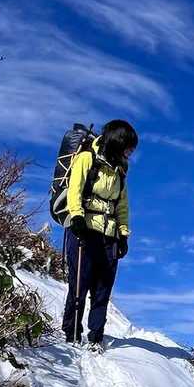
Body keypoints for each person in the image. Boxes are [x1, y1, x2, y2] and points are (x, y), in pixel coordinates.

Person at [62, 119, 136, 350]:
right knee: (79, 285)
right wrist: (76, 216)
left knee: (103, 288)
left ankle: (96, 337)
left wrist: (123, 234)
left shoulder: (120, 171)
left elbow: (121, 205)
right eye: (128, 147)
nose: (130, 152)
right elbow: (75, 189)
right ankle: (72, 334)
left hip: (109, 235)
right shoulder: (87, 158)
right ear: (117, 142)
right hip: (83, 230)